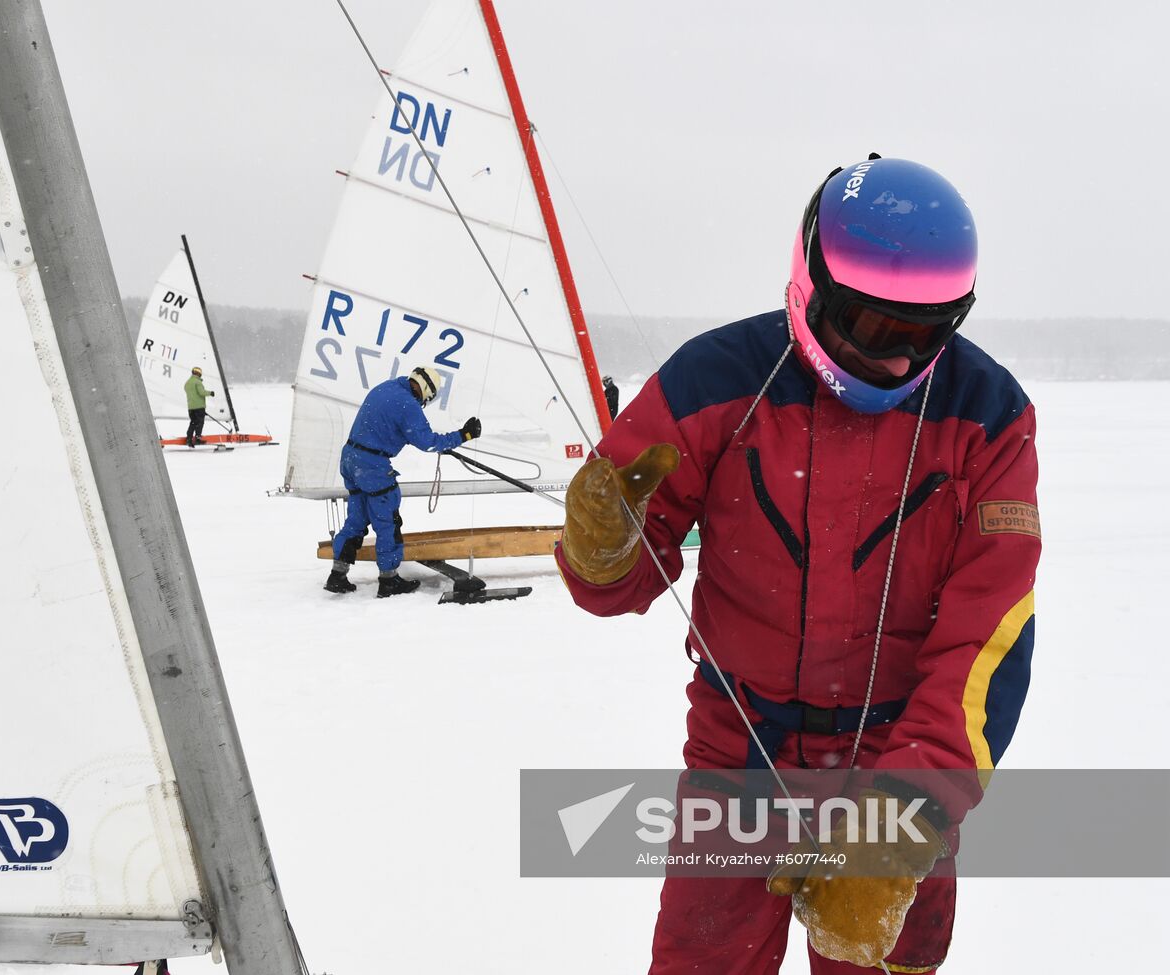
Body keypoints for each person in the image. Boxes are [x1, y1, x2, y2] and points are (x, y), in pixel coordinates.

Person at [556, 157, 1040, 973]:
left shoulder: (988, 418)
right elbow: (622, 579)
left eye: (924, 334)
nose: (894, 363)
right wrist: (603, 546)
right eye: (871, 327)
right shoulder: (715, 380)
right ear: (811, 279)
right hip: (739, 757)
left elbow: (986, 647)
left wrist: (899, 828)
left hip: (897, 764)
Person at [325, 365, 482, 597]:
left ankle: (337, 575)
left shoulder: (386, 388)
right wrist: (464, 435)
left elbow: (387, 424)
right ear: (427, 392)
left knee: (357, 519)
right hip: (372, 465)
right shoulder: (408, 404)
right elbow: (427, 442)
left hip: (350, 458)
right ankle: (389, 581)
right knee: (387, 520)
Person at [184, 366, 215, 448]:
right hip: (199, 407)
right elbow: (201, 392)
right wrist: (210, 393)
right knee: (200, 422)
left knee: (193, 422)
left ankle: (189, 438)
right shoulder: (198, 382)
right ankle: (198, 438)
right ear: (199, 373)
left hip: (191, 407)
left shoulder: (187, 382)